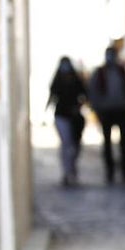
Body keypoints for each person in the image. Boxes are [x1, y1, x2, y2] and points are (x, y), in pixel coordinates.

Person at [88, 46, 125, 183]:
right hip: (106, 111)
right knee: (107, 142)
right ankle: (109, 171)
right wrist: (96, 108)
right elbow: (93, 91)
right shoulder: (100, 73)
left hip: (120, 109)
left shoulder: (122, 72)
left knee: (124, 142)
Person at [46, 57, 87, 186]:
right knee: (66, 144)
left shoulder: (76, 80)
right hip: (61, 116)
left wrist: (79, 106)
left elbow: (85, 95)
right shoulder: (57, 81)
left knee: (75, 146)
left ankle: (72, 170)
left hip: (75, 118)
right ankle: (67, 172)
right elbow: (52, 96)